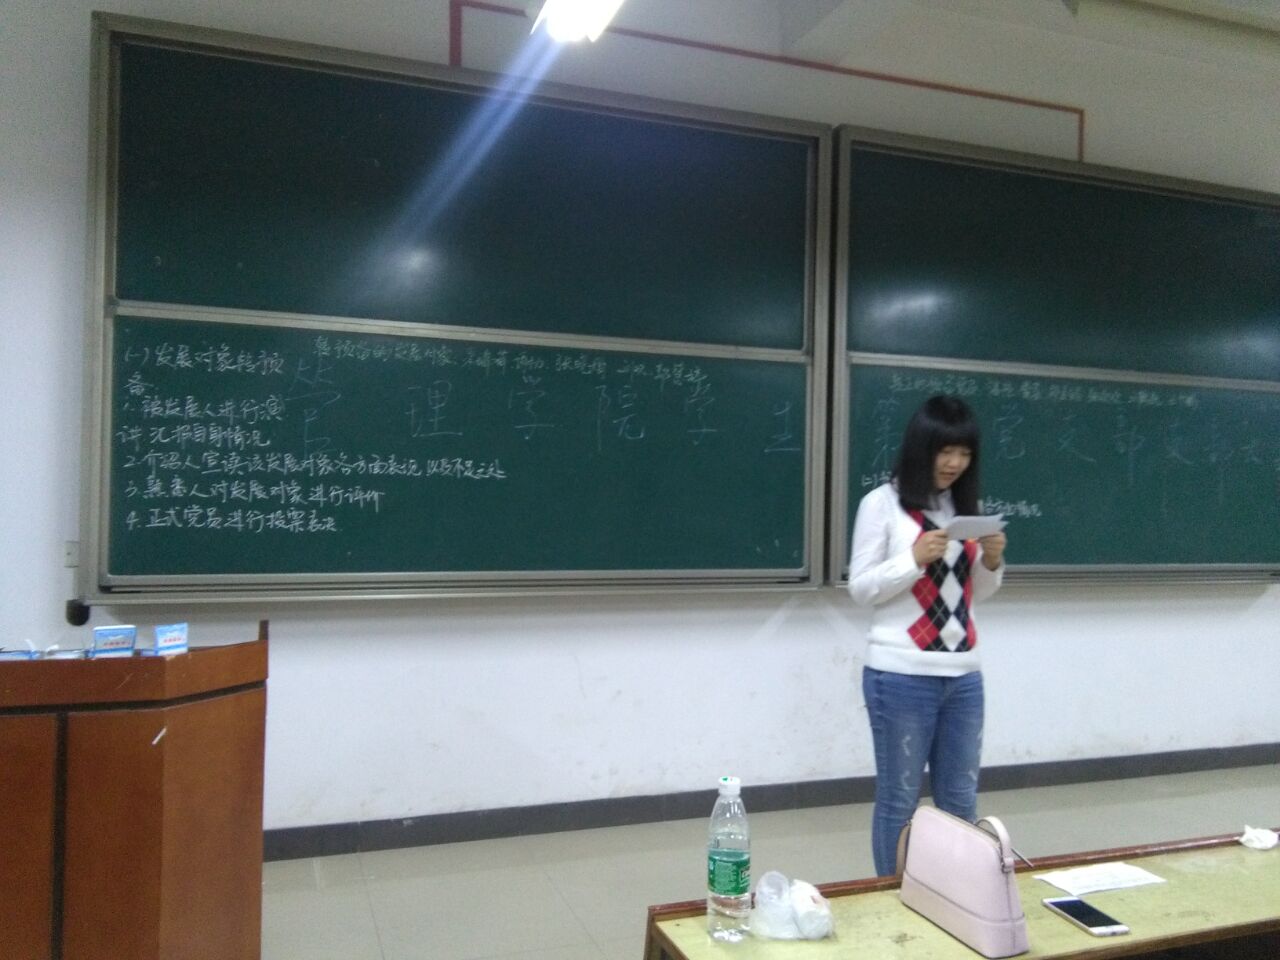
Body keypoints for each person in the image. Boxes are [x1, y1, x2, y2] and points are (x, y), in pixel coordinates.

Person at [847, 394, 1007, 877]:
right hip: (900, 674)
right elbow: (861, 588)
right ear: (922, 448)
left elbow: (974, 593)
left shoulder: (965, 509)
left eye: (965, 453)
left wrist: (993, 560)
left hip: (964, 675)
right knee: (899, 799)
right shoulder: (882, 504)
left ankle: (954, 893)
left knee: (960, 798)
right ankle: (889, 895)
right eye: (945, 451)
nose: (955, 463)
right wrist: (912, 560)